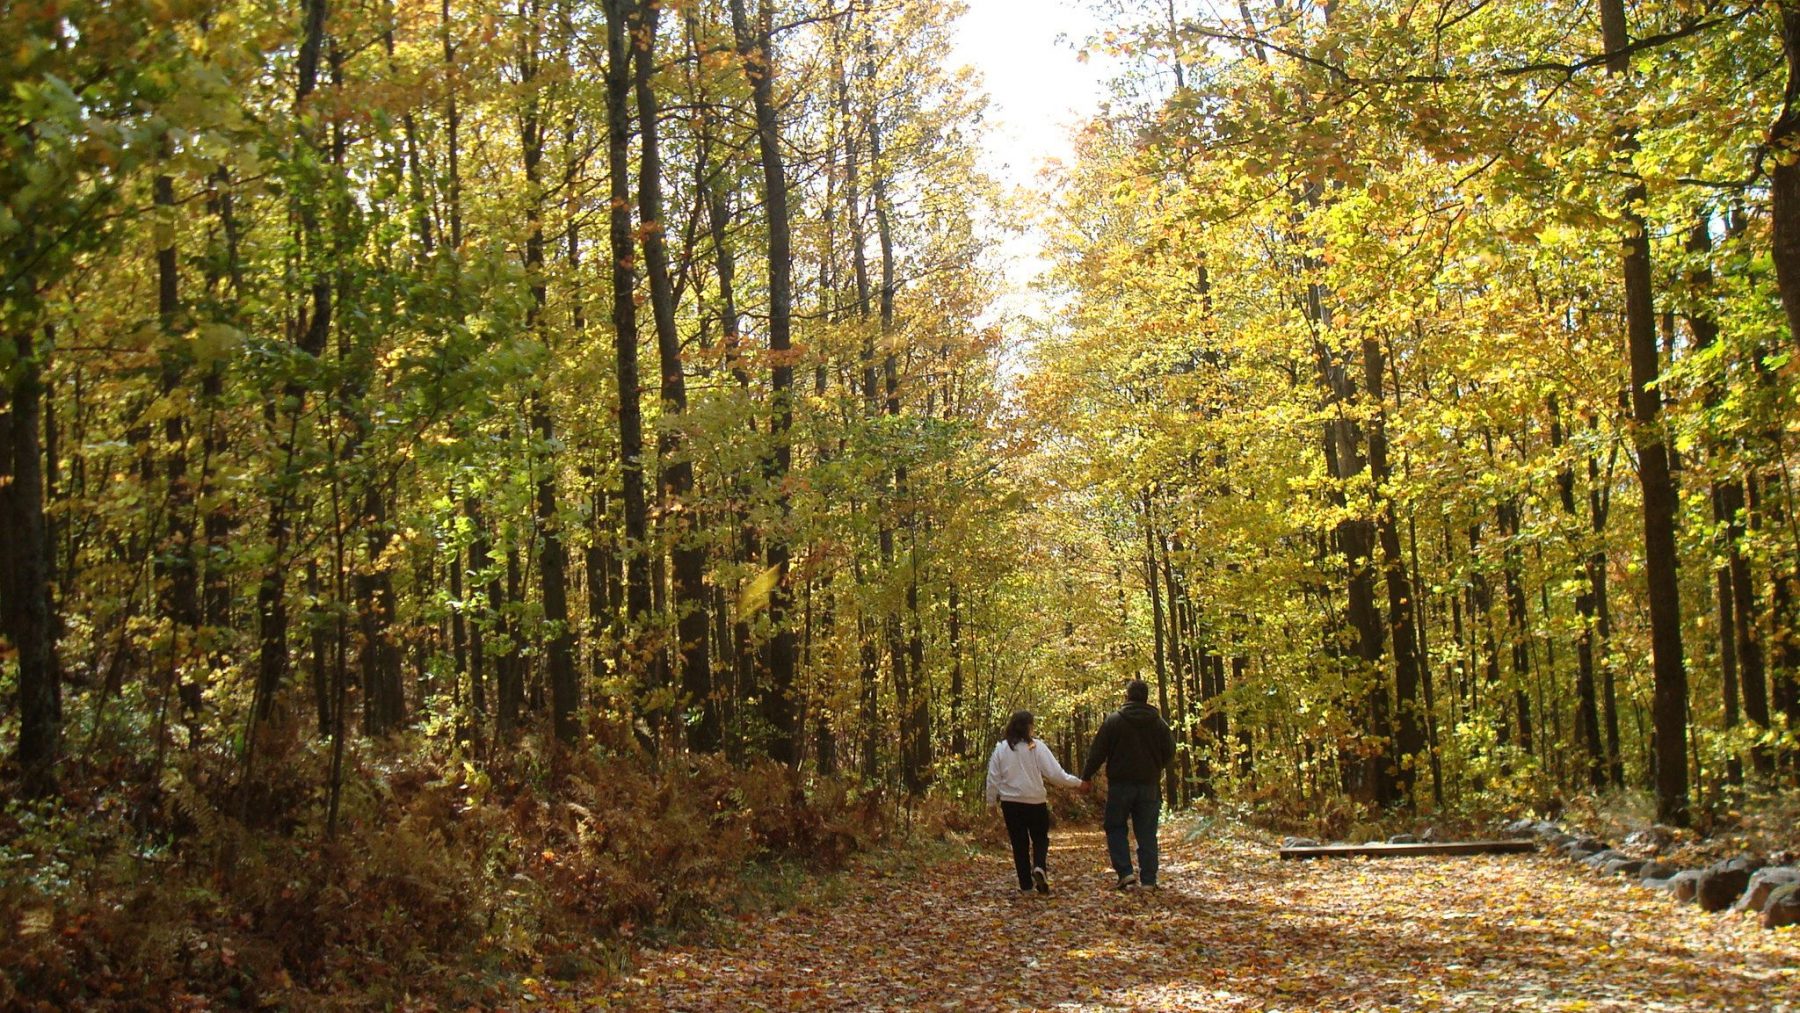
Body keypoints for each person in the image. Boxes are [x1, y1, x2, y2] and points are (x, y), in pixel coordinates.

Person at [1081, 679, 1176, 889]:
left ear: (1128, 696)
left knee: (1115, 827)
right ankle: (1149, 880)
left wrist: (1086, 776)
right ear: (1146, 697)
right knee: (1147, 833)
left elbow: (1097, 752)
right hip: (1149, 786)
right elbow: (1170, 751)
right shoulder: (1159, 724)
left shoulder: (1114, 721)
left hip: (1120, 785)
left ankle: (1125, 872)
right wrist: (1156, 766)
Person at [985, 710, 1086, 894]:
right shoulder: (1037, 747)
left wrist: (991, 803)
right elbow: (1055, 774)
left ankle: (1026, 886)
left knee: (1019, 843)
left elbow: (993, 778)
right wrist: (1078, 783)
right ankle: (1039, 866)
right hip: (1036, 801)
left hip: (1011, 803)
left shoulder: (1001, 748)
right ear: (1029, 727)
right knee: (1040, 838)